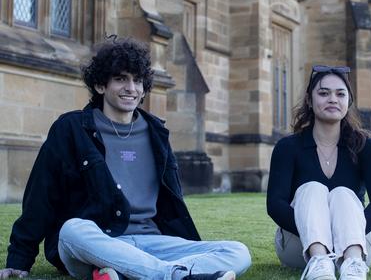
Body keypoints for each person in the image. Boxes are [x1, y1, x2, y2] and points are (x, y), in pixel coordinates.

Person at [1, 37, 251, 280]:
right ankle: (172, 274)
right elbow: (41, 195)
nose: (131, 88)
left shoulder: (157, 133)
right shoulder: (72, 129)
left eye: (137, 81)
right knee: (72, 229)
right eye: (120, 79)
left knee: (237, 251)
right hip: (98, 241)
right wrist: (19, 259)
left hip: (153, 241)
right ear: (100, 85)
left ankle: (126, 272)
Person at [266, 65, 371, 280]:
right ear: (309, 100)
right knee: (312, 188)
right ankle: (319, 264)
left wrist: (346, 235)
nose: (333, 99)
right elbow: (275, 205)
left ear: (348, 101)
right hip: (300, 247)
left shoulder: (366, 147)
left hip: (356, 247)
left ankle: (352, 266)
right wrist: (317, 232)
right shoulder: (287, 147)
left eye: (340, 94)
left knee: (342, 193)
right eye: (324, 93)